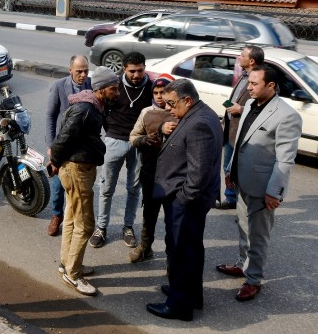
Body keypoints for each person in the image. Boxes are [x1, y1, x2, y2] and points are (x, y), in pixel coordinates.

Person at [216, 65, 302, 302]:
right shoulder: (251, 106)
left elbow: (285, 160)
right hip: (241, 181)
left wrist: (274, 192)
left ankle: (253, 279)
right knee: (243, 227)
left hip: (263, 187)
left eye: (254, 84)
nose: (249, 88)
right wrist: (230, 171)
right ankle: (243, 265)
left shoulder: (287, 115)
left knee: (258, 234)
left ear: (271, 86)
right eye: (249, 83)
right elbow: (239, 142)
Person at [147, 79, 222, 322]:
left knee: (181, 251)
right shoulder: (201, 113)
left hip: (186, 202)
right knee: (190, 250)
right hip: (188, 200)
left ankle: (179, 306)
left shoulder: (198, 122)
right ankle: (190, 294)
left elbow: (198, 172)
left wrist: (183, 198)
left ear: (187, 100)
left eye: (171, 103)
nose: (168, 108)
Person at [49, 66, 119, 297]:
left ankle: (67, 263)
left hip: (79, 168)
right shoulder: (85, 109)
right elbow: (63, 138)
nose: (117, 92)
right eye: (113, 88)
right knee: (86, 224)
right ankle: (74, 274)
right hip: (77, 170)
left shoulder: (93, 105)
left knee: (70, 218)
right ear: (100, 89)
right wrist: (56, 162)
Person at [90, 51, 154, 249]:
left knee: (134, 189)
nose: (136, 75)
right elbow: (101, 107)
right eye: (132, 71)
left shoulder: (151, 88)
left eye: (140, 70)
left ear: (144, 68)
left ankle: (128, 226)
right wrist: (110, 133)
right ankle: (101, 227)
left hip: (139, 143)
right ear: (124, 69)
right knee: (106, 187)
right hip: (114, 141)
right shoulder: (114, 85)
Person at [127, 73, 177, 263]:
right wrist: (144, 140)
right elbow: (132, 138)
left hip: (173, 175)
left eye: (162, 92)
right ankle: (145, 248)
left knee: (172, 219)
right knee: (149, 214)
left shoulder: (178, 112)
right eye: (155, 92)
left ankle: (172, 258)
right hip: (150, 172)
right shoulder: (147, 112)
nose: (159, 96)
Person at [45, 55, 91, 236]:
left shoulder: (92, 85)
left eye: (86, 70)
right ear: (70, 70)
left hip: (83, 146)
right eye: (79, 71)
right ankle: (57, 215)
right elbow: (50, 116)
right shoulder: (58, 86)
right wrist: (50, 145)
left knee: (81, 184)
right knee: (58, 185)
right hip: (61, 144)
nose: (83, 75)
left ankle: (77, 217)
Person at [217, 45, 265, 210]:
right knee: (228, 167)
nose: (239, 57)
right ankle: (231, 199)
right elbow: (237, 99)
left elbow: (265, 109)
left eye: (242, 55)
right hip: (231, 130)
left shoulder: (262, 80)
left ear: (251, 60)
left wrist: (241, 110)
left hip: (244, 135)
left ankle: (244, 203)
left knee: (242, 170)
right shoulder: (244, 76)